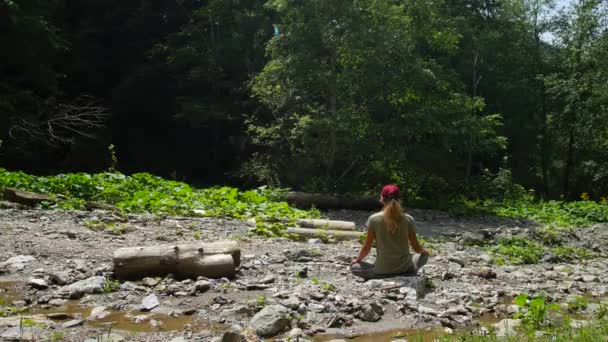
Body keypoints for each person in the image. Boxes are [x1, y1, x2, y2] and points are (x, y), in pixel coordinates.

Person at [351, 184, 430, 280]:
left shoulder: (374, 219)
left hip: (382, 271)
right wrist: (425, 252)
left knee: (354, 267)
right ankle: (409, 272)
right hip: (405, 269)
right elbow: (416, 248)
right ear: (399, 199)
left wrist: (358, 260)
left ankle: (379, 274)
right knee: (423, 255)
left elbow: (367, 247)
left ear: (381, 198)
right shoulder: (408, 219)